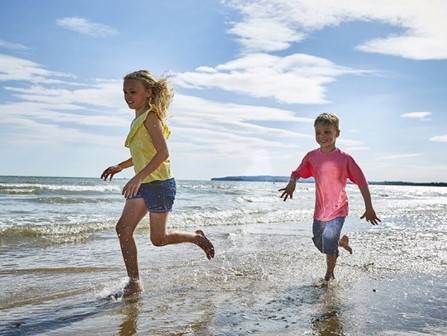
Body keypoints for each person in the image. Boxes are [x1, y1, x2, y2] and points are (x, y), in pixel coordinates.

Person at [101, 70, 215, 296]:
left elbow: (162, 153)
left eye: (133, 92)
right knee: (123, 229)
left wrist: (137, 176)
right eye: (125, 92)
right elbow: (143, 154)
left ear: (148, 92)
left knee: (158, 239)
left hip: (160, 185)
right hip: (143, 184)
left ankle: (196, 238)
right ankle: (134, 283)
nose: (128, 96)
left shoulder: (151, 117)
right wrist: (121, 167)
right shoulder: (136, 119)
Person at [279, 113, 380, 284]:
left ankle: (329, 274)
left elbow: (362, 182)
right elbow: (297, 172)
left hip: (339, 209)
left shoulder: (345, 159)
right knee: (320, 242)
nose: (322, 137)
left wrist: (369, 207)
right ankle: (341, 242)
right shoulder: (312, 156)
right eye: (318, 133)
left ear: (337, 133)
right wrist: (292, 182)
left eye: (327, 132)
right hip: (320, 211)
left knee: (328, 243)